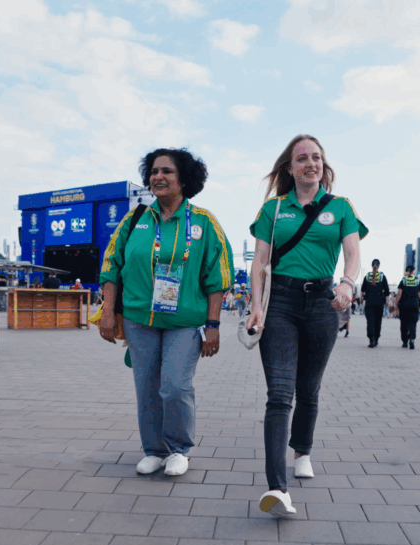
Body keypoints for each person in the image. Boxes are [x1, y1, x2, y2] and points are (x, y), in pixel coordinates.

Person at [247, 134, 366, 517]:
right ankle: (276, 489)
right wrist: (256, 306)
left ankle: (303, 450)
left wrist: (347, 283)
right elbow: (260, 262)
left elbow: (353, 254)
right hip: (280, 303)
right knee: (280, 394)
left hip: (322, 303)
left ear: (323, 165)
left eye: (316, 157)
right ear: (290, 167)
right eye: (302, 158)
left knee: (308, 389)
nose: (310, 163)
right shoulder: (274, 208)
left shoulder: (341, 206)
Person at [99, 147, 233, 479]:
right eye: (154, 171)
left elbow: (217, 277)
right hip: (139, 320)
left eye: (167, 171)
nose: (158, 176)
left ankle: (178, 449)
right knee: (146, 387)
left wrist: (213, 325)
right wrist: (107, 313)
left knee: (174, 386)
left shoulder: (204, 222)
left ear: (184, 179)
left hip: (185, 322)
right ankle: (154, 450)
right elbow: (111, 265)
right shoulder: (134, 220)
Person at [361, 259, 389, 347]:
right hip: (379, 301)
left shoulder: (367, 276)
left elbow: (362, 290)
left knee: (370, 321)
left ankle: (371, 340)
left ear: (372, 265)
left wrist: (362, 300)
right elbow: (387, 291)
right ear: (378, 266)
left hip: (369, 301)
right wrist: (386, 300)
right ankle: (376, 339)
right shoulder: (382, 276)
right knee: (378, 321)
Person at [396, 265, 420, 349]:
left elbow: (399, 293)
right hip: (414, 304)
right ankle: (412, 339)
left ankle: (405, 342)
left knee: (404, 323)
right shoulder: (417, 281)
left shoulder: (403, 281)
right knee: (413, 322)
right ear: (413, 271)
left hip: (404, 304)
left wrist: (396, 303)